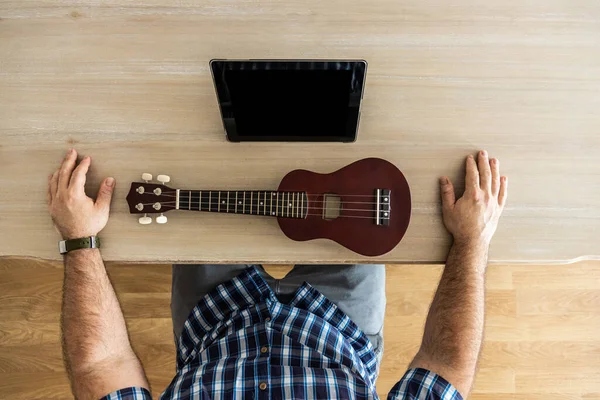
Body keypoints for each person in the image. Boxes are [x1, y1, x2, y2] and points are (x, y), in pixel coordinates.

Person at [47, 149, 507, 400]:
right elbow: (444, 369)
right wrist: (471, 242)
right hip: (340, 321)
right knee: (358, 162)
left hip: (213, 317)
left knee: (204, 160)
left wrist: (79, 239)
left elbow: (102, 366)